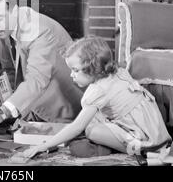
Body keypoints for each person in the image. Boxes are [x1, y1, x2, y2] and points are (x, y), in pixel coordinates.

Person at [21, 36, 171, 158]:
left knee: (91, 130)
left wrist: (43, 146)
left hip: (144, 138)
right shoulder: (117, 71)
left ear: (93, 67)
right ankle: (110, 142)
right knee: (92, 117)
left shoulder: (98, 90)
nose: (71, 75)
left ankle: (130, 149)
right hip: (151, 123)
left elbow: (77, 126)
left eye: (75, 70)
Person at [0, 0, 83, 141]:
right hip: (37, 103)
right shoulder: (14, 23)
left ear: (14, 10)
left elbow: (36, 81)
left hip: (63, 110)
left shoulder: (39, 30)